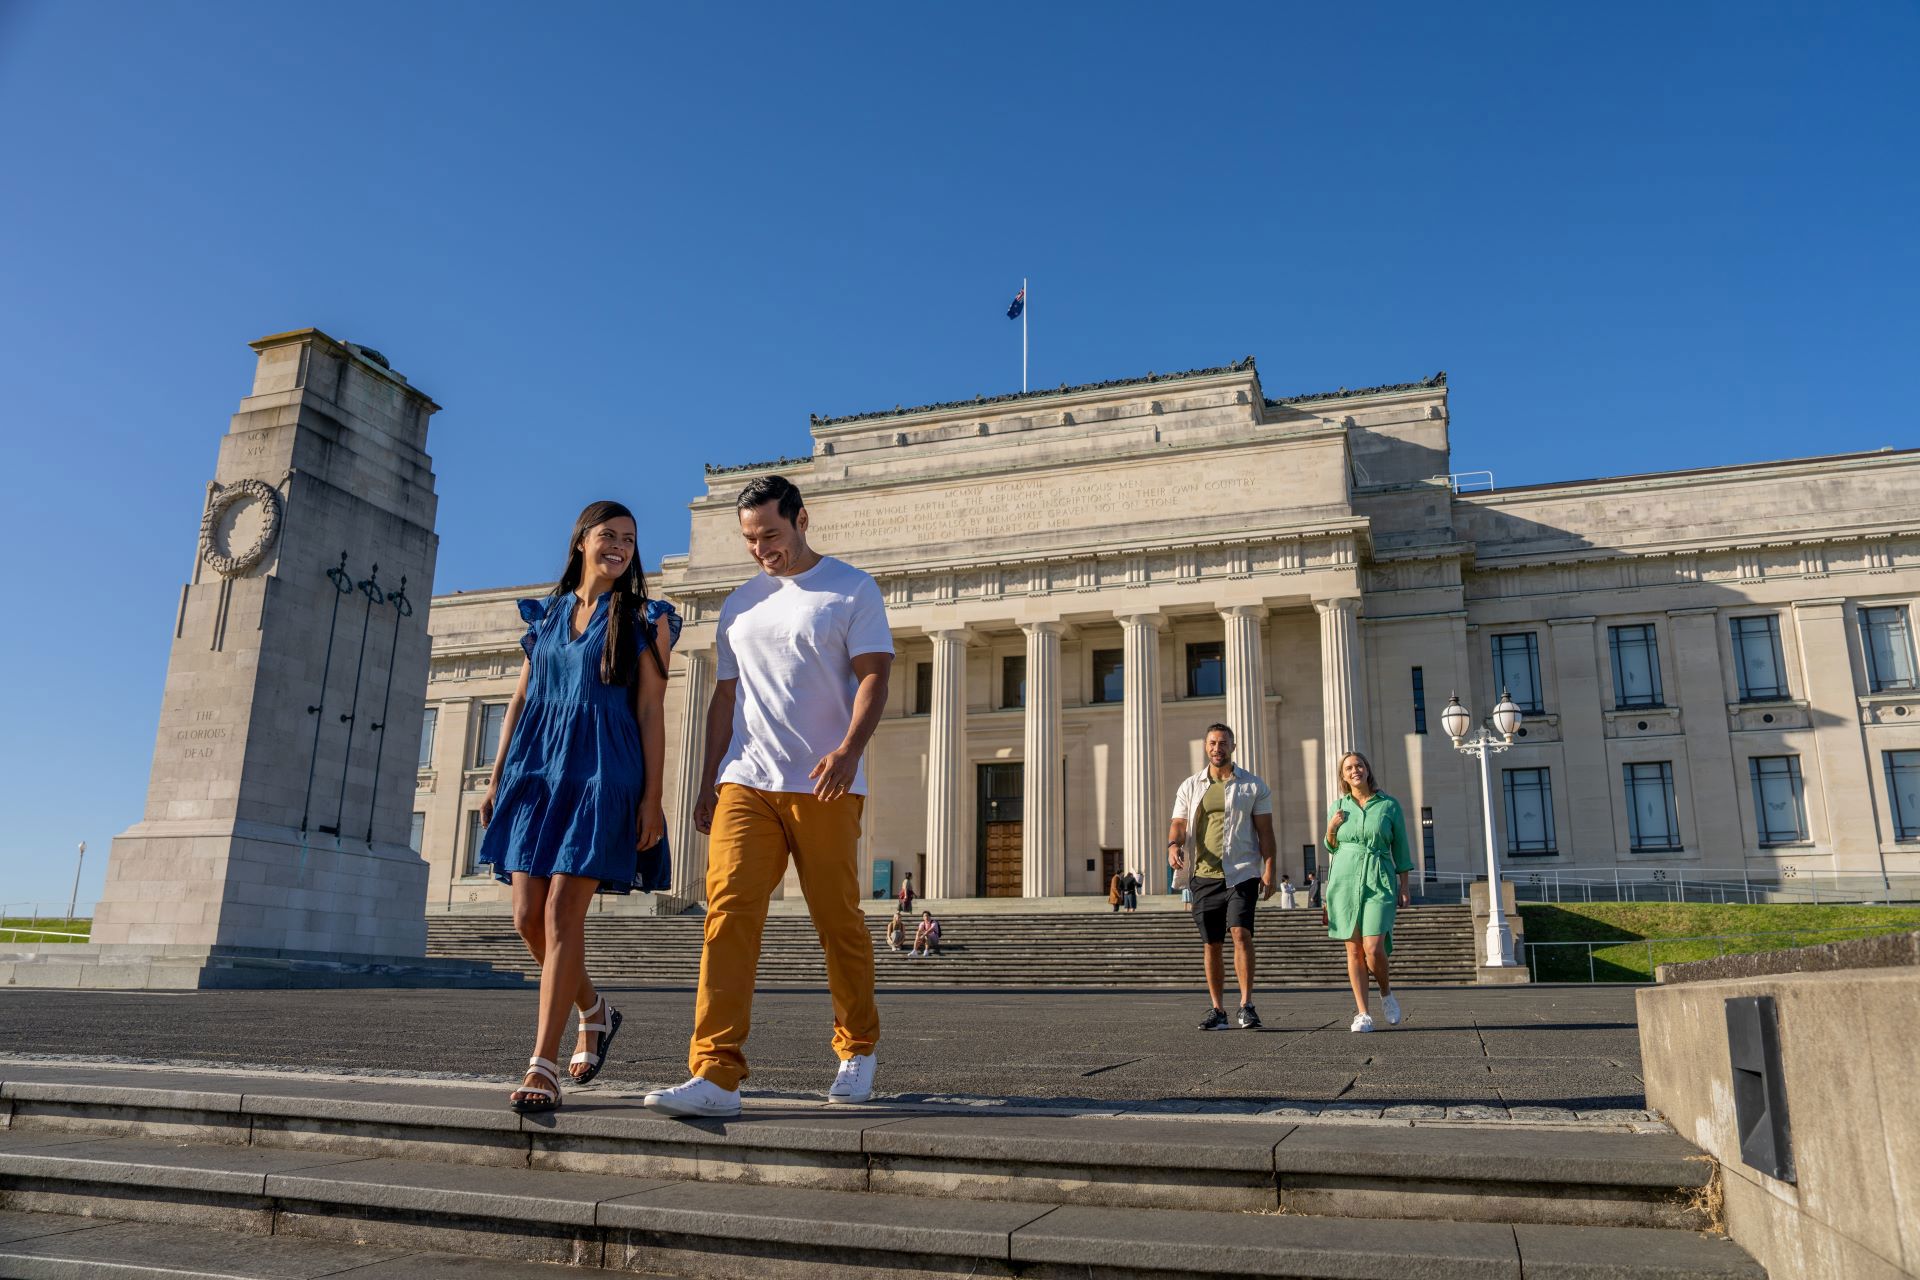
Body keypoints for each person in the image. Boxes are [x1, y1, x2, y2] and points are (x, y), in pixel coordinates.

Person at [644, 475, 893, 1117]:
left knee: (836, 918)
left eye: (772, 535)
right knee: (726, 913)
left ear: (802, 519)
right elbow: (725, 697)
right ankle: (716, 1073)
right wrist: (707, 780)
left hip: (823, 781)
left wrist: (849, 750)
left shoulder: (850, 588)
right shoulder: (739, 605)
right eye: (751, 539)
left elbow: (874, 678)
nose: (762, 549)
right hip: (746, 779)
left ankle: (857, 1046)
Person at [479, 501, 679, 1113]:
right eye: (608, 536)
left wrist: (652, 798)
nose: (619, 546)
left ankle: (540, 1066)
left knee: (565, 912)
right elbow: (520, 700)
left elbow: (650, 711)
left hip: (602, 773)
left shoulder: (647, 619)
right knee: (525, 918)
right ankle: (594, 1008)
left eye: (629, 539)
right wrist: (495, 778)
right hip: (537, 772)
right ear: (580, 543)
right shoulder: (546, 617)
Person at [1167, 723, 1277, 1031]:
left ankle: (1246, 1004)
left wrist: (1269, 867)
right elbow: (1179, 823)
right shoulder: (1190, 786)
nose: (1218, 748)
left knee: (1241, 933)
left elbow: (1265, 832)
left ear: (1233, 747)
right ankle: (1218, 1009)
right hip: (1204, 874)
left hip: (1241, 871)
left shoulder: (1252, 785)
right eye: (1213, 743)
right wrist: (1173, 844)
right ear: (1206, 747)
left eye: (1224, 743)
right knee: (1211, 943)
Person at [1323, 750, 1413, 1033]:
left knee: (1373, 948)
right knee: (1354, 950)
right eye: (1349, 768)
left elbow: (1401, 847)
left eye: (1359, 765)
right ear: (1343, 775)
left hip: (1379, 878)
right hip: (1344, 880)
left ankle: (1386, 993)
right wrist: (1331, 827)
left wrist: (1405, 885)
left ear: (1367, 769)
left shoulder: (1389, 805)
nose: (1354, 771)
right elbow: (1331, 847)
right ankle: (1363, 1013)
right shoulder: (1338, 806)